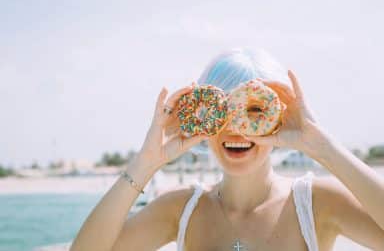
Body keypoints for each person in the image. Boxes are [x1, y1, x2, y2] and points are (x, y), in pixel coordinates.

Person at [70, 48, 384, 251]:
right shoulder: (180, 209)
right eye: (221, 112)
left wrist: (325, 148)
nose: (235, 129)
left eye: (254, 111)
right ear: (201, 119)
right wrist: (146, 163)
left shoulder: (317, 204)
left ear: (278, 121)